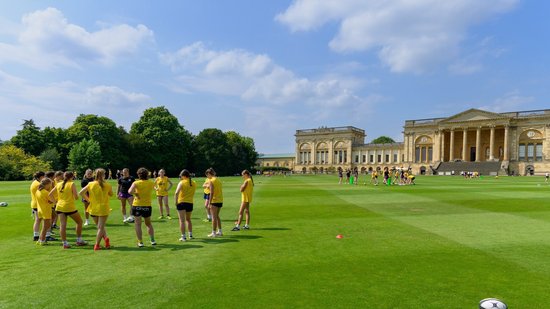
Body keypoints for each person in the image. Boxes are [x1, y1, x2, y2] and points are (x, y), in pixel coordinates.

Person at [49, 171, 87, 249]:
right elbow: (76, 197)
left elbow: (50, 194)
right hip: (69, 206)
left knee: (63, 225)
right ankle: (79, 240)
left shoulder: (58, 184)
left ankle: (65, 243)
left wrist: (55, 202)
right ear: (72, 177)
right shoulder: (71, 184)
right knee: (79, 222)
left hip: (59, 207)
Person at [79, 169, 113, 251]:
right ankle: (97, 245)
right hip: (103, 208)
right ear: (104, 175)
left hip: (93, 208)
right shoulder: (107, 185)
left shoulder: (90, 184)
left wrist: (88, 200)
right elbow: (111, 194)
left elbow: (81, 193)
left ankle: (106, 239)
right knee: (100, 227)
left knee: (100, 227)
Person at [129, 167, 156, 247]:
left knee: (138, 224)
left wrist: (135, 193)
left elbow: (130, 191)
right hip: (147, 206)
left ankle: (140, 242)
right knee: (148, 224)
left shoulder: (136, 183)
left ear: (138, 175)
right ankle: (152, 240)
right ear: (147, 174)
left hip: (137, 205)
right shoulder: (151, 183)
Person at [174, 169, 196, 241]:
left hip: (182, 202)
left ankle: (183, 237)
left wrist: (175, 202)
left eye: (181, 176)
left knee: (182, 220)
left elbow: (176, 193)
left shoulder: (181, 182)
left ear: (183, 176)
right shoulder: (193, 183)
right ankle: (190, 235)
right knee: (188, 220)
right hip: (190, 203)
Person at [36, 178, 55, 245]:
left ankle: (40, 239)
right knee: (46, 226)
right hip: (46, 210)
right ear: (47, 184)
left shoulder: (38, 191)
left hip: (40, 209)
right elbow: (53, 201)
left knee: (45, 226)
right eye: (50, 184)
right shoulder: (46, 192)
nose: (50, 186)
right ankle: (42, 240)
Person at [206, 168, 223, 237]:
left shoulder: (211, 181)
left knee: (214, 217)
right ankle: (220, 231)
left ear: (209, 174)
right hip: (220, 200)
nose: (207, 177)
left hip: (214, 200)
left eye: (207, 175)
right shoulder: (218, 180)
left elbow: (211, 192)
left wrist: (209, 202)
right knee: (217, 216)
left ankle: (213, 232)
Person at [30, 171, 45, 241]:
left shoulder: (34, 182)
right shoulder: (38, 184)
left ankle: (36, 235)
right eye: (43, 176)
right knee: (40, 219)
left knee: (38, 220)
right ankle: (39, 235)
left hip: (35, 203)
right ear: (40, 177)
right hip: (38, 204)